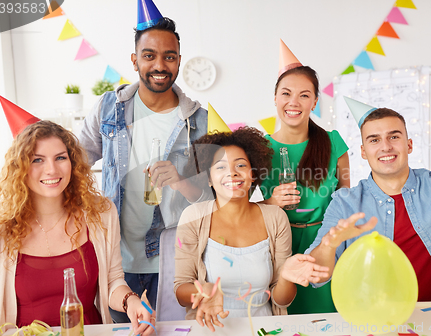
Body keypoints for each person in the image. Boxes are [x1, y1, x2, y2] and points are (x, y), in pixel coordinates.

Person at [78, 12, 208, 320]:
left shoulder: (197, 121)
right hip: (116, 262)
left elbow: (207, 200)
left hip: (175, 262)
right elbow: (74, 163)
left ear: (179, 60)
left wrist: (180, 181)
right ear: (135, 60)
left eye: (169, 56)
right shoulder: (109, 108)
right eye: (149, 56)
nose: (160, 66)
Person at [0, 120, 155, 336]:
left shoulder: (101, 214)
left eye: (60, 158)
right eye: (37, 159)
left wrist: (130, 301)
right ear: (20, 167)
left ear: (73, 162)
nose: (51, 169)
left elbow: (113, 280)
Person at [306, 102, 431, 301]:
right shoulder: (345, 203)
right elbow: (317, 276)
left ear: (409, 145)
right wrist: (329, 245)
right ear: (364, 152)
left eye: (393, 136)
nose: (385, 146)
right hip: (379, 322)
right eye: (374, 140)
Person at [174, 127, 330, 332]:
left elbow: (281, 300)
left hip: (263, 329)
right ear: (209, 178)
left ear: (253, 174)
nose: (232, 172)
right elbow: (180, 291)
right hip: (211, 329)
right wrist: (206, 290)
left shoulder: (276, 218)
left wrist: (285, 278)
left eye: (240, 165)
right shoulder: (193, 217)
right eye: (220, 167)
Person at [259, 41, 349, 314]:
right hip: (280, 250)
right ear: (275, 98)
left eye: (304, 95)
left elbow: (347, 199)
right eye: (286, 93)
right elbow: (240, 211)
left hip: (326, 247)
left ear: (315, 102)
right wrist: (272, 202)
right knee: (286, 320)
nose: (294, 103)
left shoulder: (334, 144)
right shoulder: (259, 150)